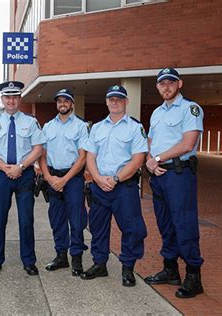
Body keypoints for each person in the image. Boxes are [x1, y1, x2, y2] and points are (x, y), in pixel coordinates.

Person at [144, 68, 204, 298]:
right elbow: (151, 141)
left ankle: (193, 275)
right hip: (159, 174)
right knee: (165, 223)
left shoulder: (190, 108)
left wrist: (157, 158)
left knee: (184, 223)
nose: (166, 87)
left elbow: (188, 144)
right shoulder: (157, 112)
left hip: (179, 174)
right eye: (162, 84)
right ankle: (170, 270)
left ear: (179, 83)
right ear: (158, 87)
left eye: (170, 82)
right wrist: (151, 161)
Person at [81, 85, 148, 287]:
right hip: (99, 186)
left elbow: (138, 160)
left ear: (126, 102)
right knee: (98, 228)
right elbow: (90, 157)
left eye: (119, 98)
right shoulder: (97, 128)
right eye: (111, 98)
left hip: (124, 188)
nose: (115, 102)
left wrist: (116, 179)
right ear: (107, 102)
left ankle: (128, 268)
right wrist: (97, 178)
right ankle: (99, 264)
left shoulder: (135, 128)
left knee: (131, 229)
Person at [0, 81, 45, 276]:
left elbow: (38, 148)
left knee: (26, 220)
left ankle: (29, 261)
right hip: (1, 176)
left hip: (24, 176)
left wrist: (21, 167)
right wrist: (5, 168)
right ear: (2, 99)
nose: (11, 100)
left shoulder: (30, 122)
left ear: (20, 99)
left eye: (15, 97)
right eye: (7, 97)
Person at [38, 88, 89, 276]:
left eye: (66, 101)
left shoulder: (81, 126)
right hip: (53, 178)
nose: (62, 104)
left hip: (73, 178)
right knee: (57, 219)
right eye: (59, 101)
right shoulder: (48, 127)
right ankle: (61, 257)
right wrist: (49, 178)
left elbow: (82, 157)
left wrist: (65, 179)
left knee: (76, 220)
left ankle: (76, 258)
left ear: (72, 104)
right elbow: (41, 155)